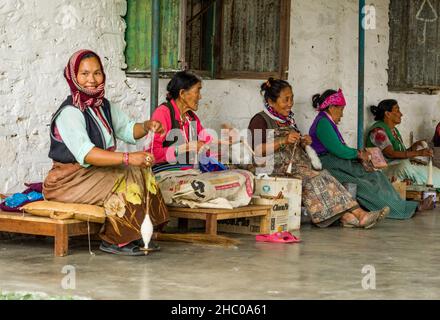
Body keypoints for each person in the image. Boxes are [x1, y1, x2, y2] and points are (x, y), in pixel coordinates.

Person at [43, 49, 169, 256]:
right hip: (68, 181)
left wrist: (147, 126)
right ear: (73, 76)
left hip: (93, 174)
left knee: (140, 171)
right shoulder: (70, 113)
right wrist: (128, 158)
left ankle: (140, 234)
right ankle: (116, 239)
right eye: (84, 74)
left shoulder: (103, 106)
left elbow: (128, 129)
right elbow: (88, 154)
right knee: (125, 175)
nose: (91, 80)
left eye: (97, 73)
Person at [248, 78, 389, 228]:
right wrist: (283, 140)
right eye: (286, 99)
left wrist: (303, 142)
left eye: (292, 98)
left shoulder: (288, 120)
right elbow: (256, 150)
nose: (290, 103)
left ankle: (350, 216)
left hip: (294, 167)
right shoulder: (260, 120)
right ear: (271, 100)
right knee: (316, 179)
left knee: (324, 176)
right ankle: (359, 215)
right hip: (272, 169)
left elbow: (292, 146)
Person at [309, 89, 425, 220]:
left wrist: (358, 156)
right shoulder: (323, 122)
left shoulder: (327, 121)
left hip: (337, 161)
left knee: (375, 175)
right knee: (363, 184)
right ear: (331, 107)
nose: (342, 114)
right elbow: (339, 150)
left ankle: (402, 205)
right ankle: (398, 210)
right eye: (341, 109)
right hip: (328, 164)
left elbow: (340, 149)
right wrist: (359, 154)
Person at [148, 71, 254, 209]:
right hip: (167, 176)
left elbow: (207, 143)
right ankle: (206, 198)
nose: (200, 96)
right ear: (182, 94)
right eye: (197, 91)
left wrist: (227, 141)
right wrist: (184, 148)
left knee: (245, 176)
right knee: (202, 187)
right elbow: (151, 154)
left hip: (193, 174)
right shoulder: (163, 113)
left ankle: (205, 199)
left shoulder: (191, 118)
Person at [366, 99, 440, 188]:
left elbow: (400, 154)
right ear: (387, 114)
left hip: (397, 166)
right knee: (406, 166)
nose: (401, 114)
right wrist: (418, 153)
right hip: (383, 171)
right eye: (397, 110)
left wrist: (414, 147)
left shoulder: (394, 131)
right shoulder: (378, 131)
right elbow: (390, 154)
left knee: (435, 171)